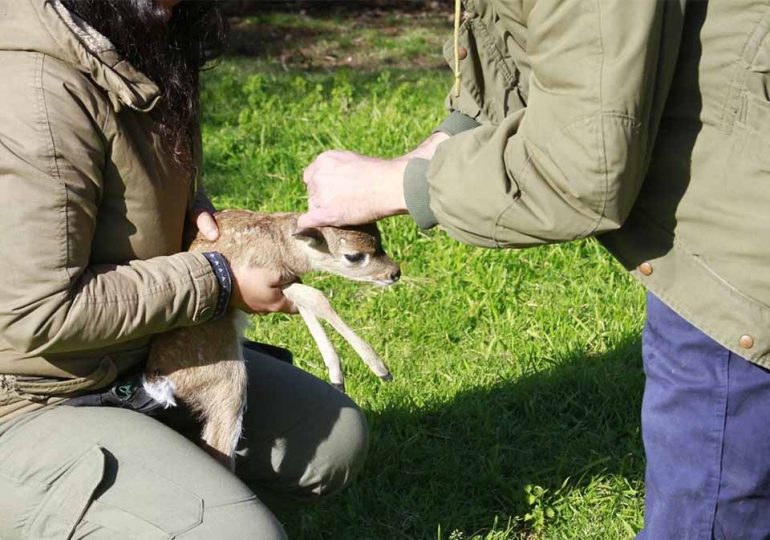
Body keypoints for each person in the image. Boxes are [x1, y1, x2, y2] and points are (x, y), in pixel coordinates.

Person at [299, 1, 770, 538]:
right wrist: (438, 146)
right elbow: (549, 50)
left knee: (709, 508)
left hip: (738, 253)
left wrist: (392, 186)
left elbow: (583, 171)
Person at [0, 1, 368, 538]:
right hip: (34, 393)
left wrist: (194, 201)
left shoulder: (148, 31)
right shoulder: (38, 91)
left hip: (137, 349)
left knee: (332, 442)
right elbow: (36, 312)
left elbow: (129, 186)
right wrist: (219, 281)